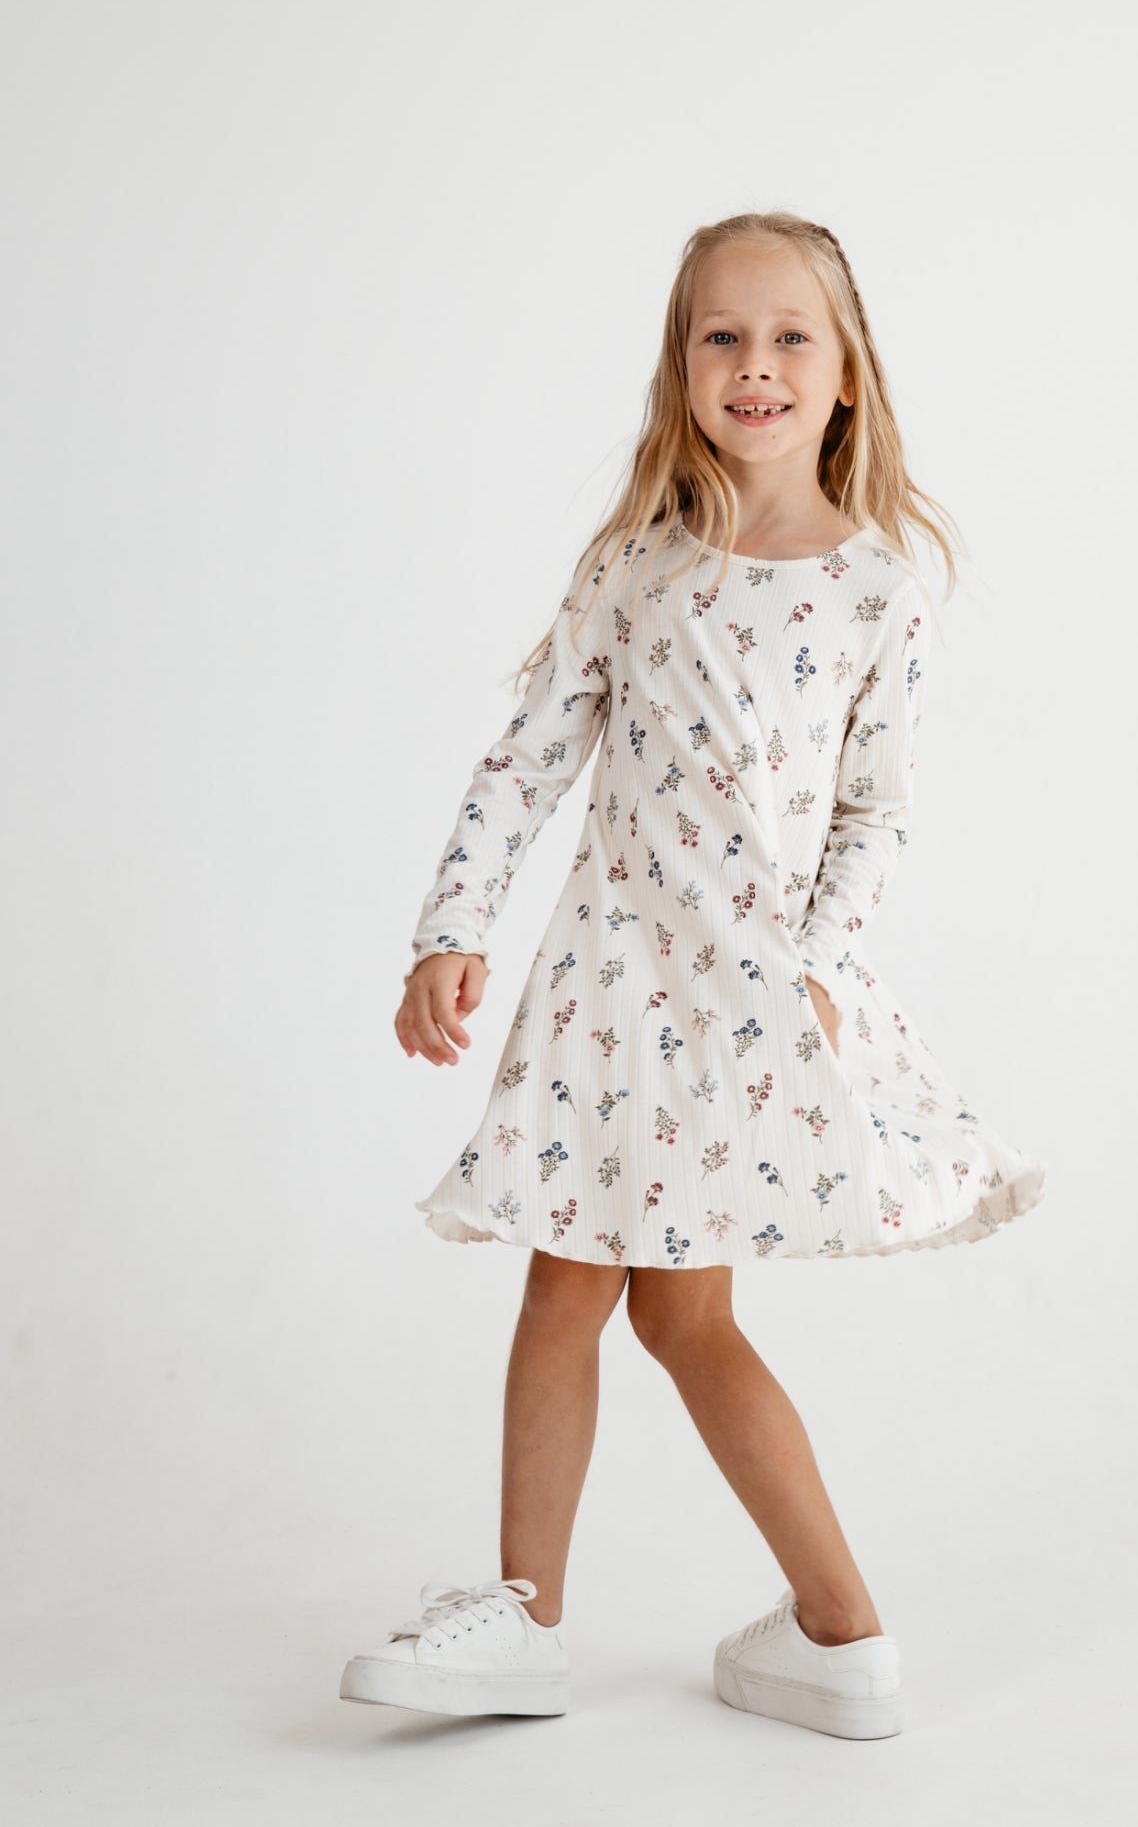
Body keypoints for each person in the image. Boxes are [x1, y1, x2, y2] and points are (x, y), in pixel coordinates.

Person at [339, 211, 1048, 1741]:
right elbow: (526, 760)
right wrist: (450, 927)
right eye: (719, 335)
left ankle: (598, 1624)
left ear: (846, 373)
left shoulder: (877, 591)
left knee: (631, 1303)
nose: (753, 363)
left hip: (743, 999)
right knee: (627, 1301)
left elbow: (874, 811)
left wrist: (820, 967)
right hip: (606, 987)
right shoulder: (636, 567)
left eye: (789, 335)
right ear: (680, 368)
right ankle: (811, 1635)